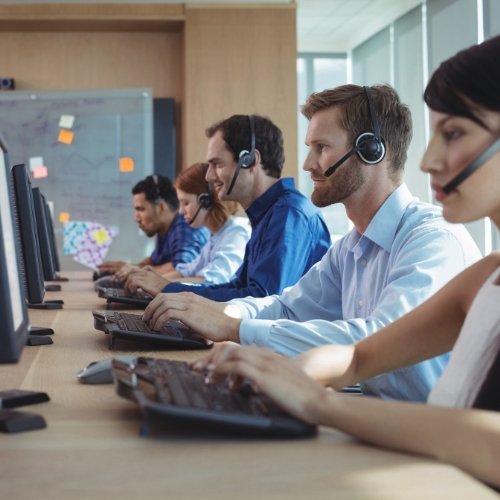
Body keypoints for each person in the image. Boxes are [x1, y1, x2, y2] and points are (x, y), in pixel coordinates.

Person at [191, 35, 500, 489]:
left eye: (453, 133)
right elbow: (357, 356)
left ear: (373, 150)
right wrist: (274, 371)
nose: (430, 161)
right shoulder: (485, 279)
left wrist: (319, 403)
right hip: (421, 464)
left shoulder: (436, 241)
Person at [143, 84, 481, 402]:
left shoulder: (433, 240)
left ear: (371, 150)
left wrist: (234, 327)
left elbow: (377, 340)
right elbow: (287, 307)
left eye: (321, 148)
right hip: (375, 416)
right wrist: (218, 312)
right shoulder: (350, 248)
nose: (306, 164)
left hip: (428, 439)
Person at [136, 114, 331, 301]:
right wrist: (167, 289)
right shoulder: (267, 215)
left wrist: (168, 290)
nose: (209, 177)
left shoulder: (289, 215)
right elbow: (238, 287)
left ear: (251, 160)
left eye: (217, 164)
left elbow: (262, 299)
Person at [124, 162, 251, 293]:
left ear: (205, 201)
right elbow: (185, 272)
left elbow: (211, 281)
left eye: (186, 203)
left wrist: (161, 285)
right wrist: (148, 282)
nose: (181, 211)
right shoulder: (215, 236)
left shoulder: (236, 232)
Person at [97, 174, 208, 278]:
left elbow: (181, 271)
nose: (136, 218)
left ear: (161, 208)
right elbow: (153, 262)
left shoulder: (185, 227)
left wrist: (133, 272)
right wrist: (128, 267)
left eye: (141, 209)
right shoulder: (165, 228)